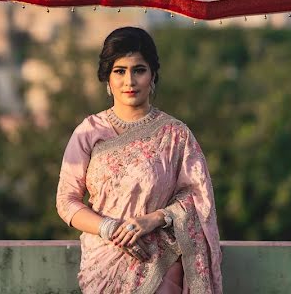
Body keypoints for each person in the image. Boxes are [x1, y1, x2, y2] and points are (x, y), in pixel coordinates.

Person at [56, 26, 223, 293]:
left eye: (139, 70)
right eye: (119, 71)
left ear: (153, 75)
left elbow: (198, 199)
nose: (129, 81)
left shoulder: (175, 134)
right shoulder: (88, 132)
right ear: (107, 78)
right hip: (102, 265)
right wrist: (109, 228)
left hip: (159, 264)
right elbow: (66, 201)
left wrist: (154, 219)